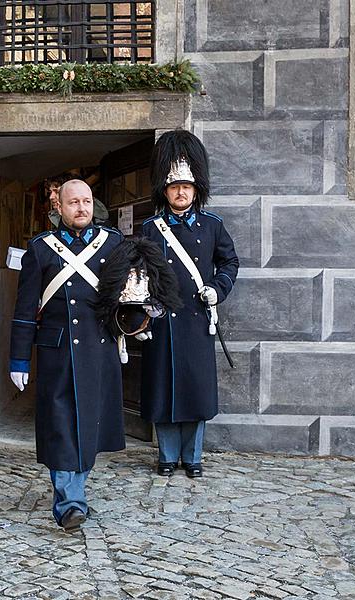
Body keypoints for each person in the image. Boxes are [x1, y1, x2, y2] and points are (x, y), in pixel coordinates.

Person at [9, 179, 126, 532]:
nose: (82, 208)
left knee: (89, 426)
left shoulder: (114, 245)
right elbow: (25, 307)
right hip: (56, 352)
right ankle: (70, 501)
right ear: (59, 207)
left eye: (87, 201)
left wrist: (143, 315)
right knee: (60, 427)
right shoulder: (41, 249)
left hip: (98, 348)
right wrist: (19, 359)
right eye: (73, 202)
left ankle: (75, 489)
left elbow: (126, 300)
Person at [139, 130, 239, 478]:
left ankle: (192, 457)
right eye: (173, 185)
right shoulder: (151, 228)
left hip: (197, 321)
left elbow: (229, 263)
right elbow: (138, 271)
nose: (180, 191)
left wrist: (217, 289)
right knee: (163, 392)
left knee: (195, 393)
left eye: (187, 185)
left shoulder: (212, 226)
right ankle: (167, 456)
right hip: (163, 321)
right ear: (163, 190)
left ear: (197, 188)